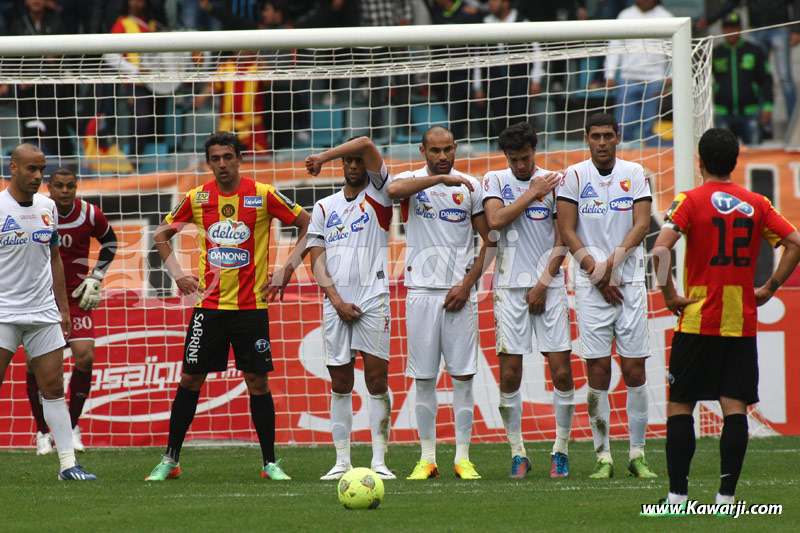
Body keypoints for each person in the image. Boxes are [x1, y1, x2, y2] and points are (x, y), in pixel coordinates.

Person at [644, 127, 800, 513]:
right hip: (740, 321)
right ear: (735, 161)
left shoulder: (689, 201)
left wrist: (669, 296)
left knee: (681, 404)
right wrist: (769, 288)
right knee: (735, 410)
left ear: (699, 162)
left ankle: (678, 497)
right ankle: (726, 498)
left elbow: (659, 250)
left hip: (697, 319)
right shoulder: (757, 203)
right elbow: (795, 243)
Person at [146, 131, 311, 481]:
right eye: (215, 159)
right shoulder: (197, 197)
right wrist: (177, 275)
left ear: (240, 159)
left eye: (228, 157)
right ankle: (170, 460)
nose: (222, 164)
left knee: (257, 382)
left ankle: (270, 463)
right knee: (190, 379)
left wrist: (287, 268)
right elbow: (161, 234)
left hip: (252, 308)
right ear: (209, 163)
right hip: (209, 308)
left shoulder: (262, 194)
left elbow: (308, 224)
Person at [386, 126, 495, 480]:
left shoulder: (471, 186)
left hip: (459, 294)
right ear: (422, 151)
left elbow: (491, 241)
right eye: (435, 150)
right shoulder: (413, 182)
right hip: (420, 293)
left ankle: (463, 458)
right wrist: (437, 181)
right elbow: (392, 190)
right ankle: (427, 458)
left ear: (456, 147)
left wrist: (467, 283)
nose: (442, 156)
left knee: (463, 378)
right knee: (424, 379)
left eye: (448, 149)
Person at [556, 113, 656, 479]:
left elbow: (642, 225)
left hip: (628, 284)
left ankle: (637, 453)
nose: (601, 142)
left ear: (618, 137)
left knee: (634, 370)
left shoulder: (634, 173)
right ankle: (603, 457)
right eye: (595, 136)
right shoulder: (573, 176)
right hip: (590, 286)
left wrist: (609, 266)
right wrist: (596, 274)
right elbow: (566, 230)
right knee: (597, 372)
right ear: (587, 139)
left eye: (607, 136)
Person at [482, 122, 573, 479]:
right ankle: (518, 453)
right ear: (506, 157)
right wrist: (532, 192)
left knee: (562, 370)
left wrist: (542, 283)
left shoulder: (556, 181)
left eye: (525, 157)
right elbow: (495, 220)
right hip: (508, 288)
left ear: (535, 150)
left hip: (548, 287)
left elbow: (563, 237)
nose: (520, 164)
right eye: (514, 159)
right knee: (509, 373)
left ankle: (561, 450)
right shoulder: (495, 180)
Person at [0, 144, 97, 481]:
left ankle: (68, 465)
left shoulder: (47, 207)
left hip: (43, 311)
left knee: (54, 386)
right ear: (13, 168)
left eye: (41, 169)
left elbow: (54, 257)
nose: (38, 176)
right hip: (4, 312)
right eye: (31, 169)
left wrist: (64, 308)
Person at [304, 137, 395, 481]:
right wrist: (337, 300)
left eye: (358, 161)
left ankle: (379, 461)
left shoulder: (380, 195)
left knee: (375, 380)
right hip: (335, 304)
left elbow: (368, 144)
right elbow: (316, 260)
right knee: (340, 382)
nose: (355, 166)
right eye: (349, 162)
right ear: (343, 168)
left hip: (373, 299)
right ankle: (342, 461)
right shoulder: (325, 207)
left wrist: (324, 155)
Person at [27, 168, 118, 455]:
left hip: (76, 298)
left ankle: (73, 426)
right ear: (49, 188)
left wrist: (97, 276)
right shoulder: (36, 212)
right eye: (59, 186)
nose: (64, 191)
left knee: (85, 356)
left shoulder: (89, 214)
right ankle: (43, 433)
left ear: (76, 188)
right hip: (42, 299)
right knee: (35, 366)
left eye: (70, 186)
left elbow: (111, 242)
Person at [696, 0, 799, 119]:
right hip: (756, 29)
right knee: (756, 76)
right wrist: (709, 19)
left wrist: (796, 29)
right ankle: (763, 122)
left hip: (780, 28)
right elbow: (731, 2)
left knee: (784, 76)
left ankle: (793, 120)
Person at [605, 0, 674, 146]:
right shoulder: (625, 15)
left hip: (655, 80)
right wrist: (610, 74)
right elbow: (614, 47)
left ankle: (654, 162)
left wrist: (671, 74)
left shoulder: (666, 16)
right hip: (628, 79)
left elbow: (675, 48)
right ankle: (624, 161)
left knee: (651, 127)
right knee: (623, 126)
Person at [474, 0, 545, 139]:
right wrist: (478, 86)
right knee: (500, 125)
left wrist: (536, 80)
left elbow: (537, 54)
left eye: (494, 1)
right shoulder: (485, 24)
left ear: (505, 3)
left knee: (521, 125)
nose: (490, 4)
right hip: (495, 85)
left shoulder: (522, 23)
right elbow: (478, 57)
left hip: (519, 84)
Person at [712, 12, 774, 145]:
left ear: (740, 28)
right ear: (722, 30)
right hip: (723, 114)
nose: (730, 31)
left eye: (733, 27)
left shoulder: (754, 51)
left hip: (750, 113)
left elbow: (766, 80)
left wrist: (768, 106)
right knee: (721, 156)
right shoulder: (716, 53)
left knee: (754, 156)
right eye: (727, 27)